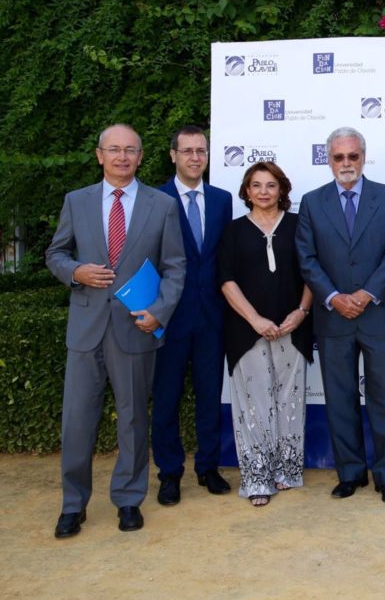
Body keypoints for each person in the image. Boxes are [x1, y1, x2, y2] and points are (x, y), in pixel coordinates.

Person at [46, 124, 185, 537]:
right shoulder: (77, 201)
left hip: (135, 329)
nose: (122, 157)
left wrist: (160, 312)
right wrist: (76, 272)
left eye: (130, 150)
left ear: (141, 157)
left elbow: (175, 267)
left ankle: (128, 499)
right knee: (76, 422)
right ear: (99, 155)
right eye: (114, 150)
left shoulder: (162, 206)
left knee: (132, 421)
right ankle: (73, 504)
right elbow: (55, 253)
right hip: (86, 330)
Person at [296, 126, 385, 505]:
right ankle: (350, 472)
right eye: (338, 157)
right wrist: (331, 297)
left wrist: (364, 294)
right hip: (333, 318)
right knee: (340, 398)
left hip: (379, 315)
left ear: (364, 156)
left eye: (353, 156)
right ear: (328, 160)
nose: (346, 164)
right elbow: (306, 258)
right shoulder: (312, 202)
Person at [219, 162, 313, 506]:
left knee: (289, 401)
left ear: (281, 190)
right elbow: (226, 281)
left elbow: (311, 274)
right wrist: (255, 319)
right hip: (247, 330)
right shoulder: (232, 231)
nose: (263, 191)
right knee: (254, 405)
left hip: (293, 327)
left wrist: (300, 313)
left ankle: (286, 470)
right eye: (256, 185)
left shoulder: (299, 226)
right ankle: (257, 478)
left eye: (270, 185)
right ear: (246, 191)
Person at [152, 125, 234, 506]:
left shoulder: (222, 200)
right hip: (168, 318)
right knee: (166, 399)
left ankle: (208, 467)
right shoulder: (155, 200)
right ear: (173, 155)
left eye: (201, 151)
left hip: (212, 318)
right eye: (187, 151)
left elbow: (220, 259)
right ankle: (169, 474)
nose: (195, 158)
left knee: (208, 397)